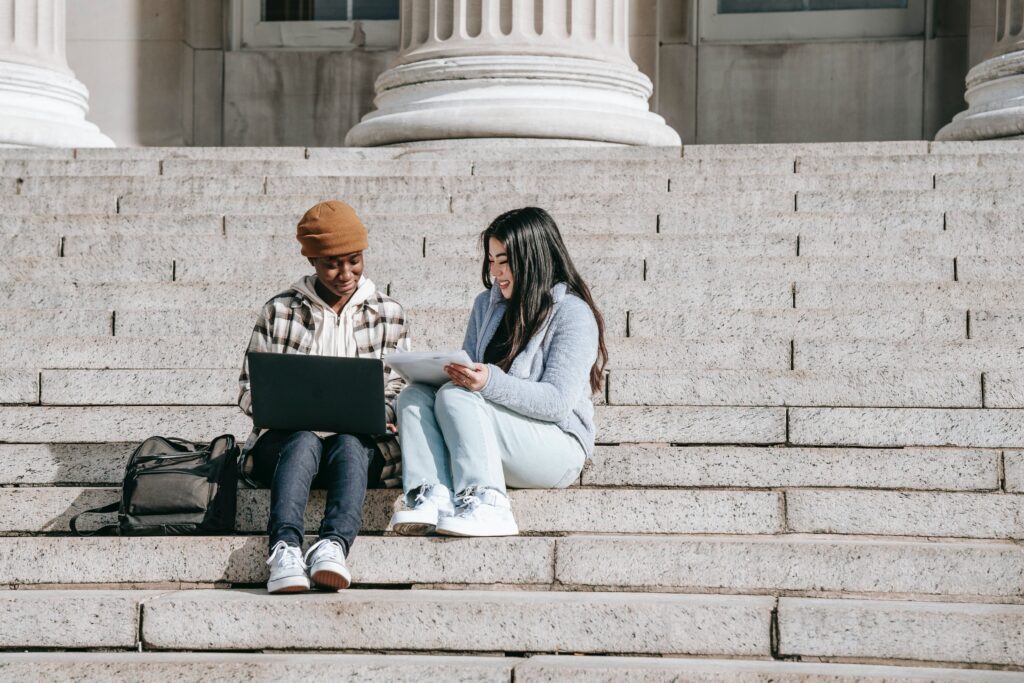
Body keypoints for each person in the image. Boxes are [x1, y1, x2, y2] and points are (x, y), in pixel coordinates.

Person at [389, 206, 607, 537]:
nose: (495, 271)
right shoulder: (485, 306)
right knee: (415, 395)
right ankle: (432, 495)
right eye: (491, 260)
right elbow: (468, 384)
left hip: (558, 445)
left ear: (531, 258)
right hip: (499, 436)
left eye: (503, 261)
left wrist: (488, 381)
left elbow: (557, 402)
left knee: (456, 397)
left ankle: (489, 504)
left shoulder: (573, 314)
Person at [237, 200, 410, 594]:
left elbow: (401, 385)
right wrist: (284, 410)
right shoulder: (279, 311)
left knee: (349, 444)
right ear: (312, 260)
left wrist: (377, 412)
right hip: (285, 446)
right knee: (302, 440)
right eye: (332, 263)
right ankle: (285, 549)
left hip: (358, 448)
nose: (345, 273)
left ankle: (333, 546)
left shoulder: (390, 314)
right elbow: (249, 389)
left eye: (354, 260)